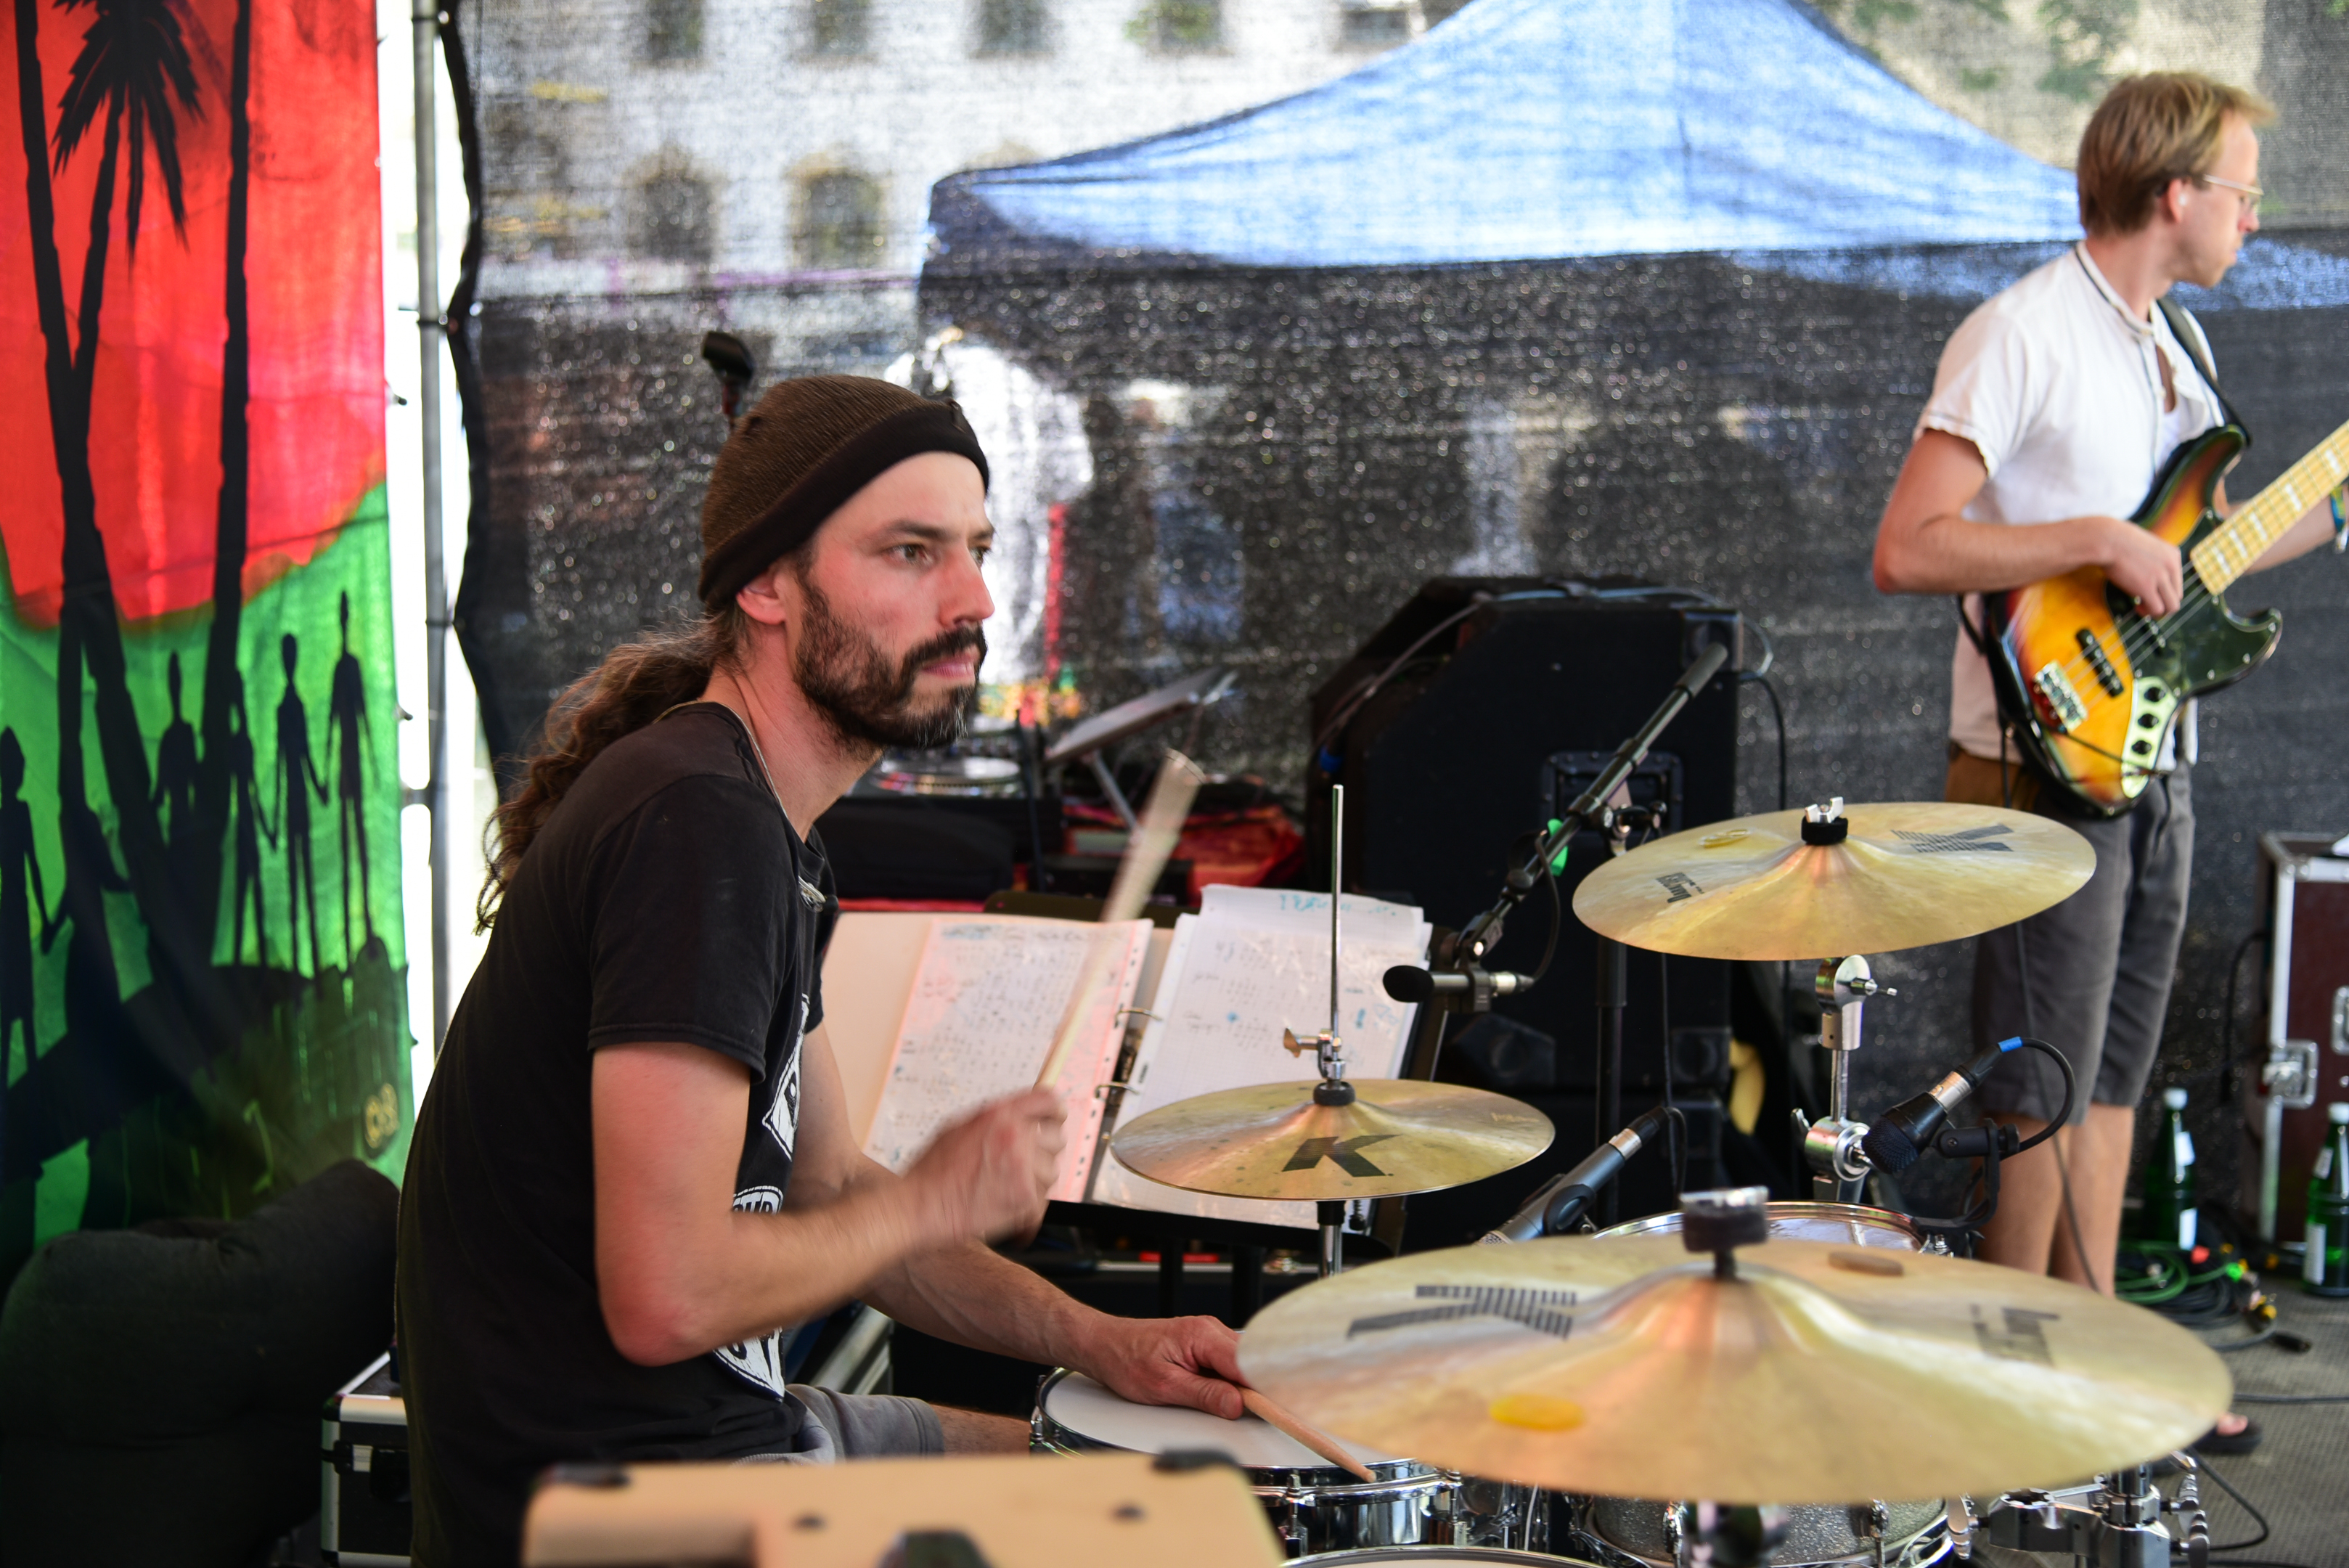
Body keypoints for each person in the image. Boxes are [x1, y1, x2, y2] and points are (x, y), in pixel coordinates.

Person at [395, 376, 1246, 1566]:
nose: (973, 601)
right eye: (911, 552)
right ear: (766, 586)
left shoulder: (768, 831)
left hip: (741, 1440)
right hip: (626, 1514)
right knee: (1173, 1539)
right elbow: (668, 1296)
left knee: (1151, 1489)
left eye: (976, 550)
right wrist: (936, 1197)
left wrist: (1102, 1340)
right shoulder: (698, 826)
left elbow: (833, 1189)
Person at [1873, 74, 2340, 1448]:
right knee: (2036, 1086)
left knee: (2114, 1077)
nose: (2256, 213)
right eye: (2243, 188)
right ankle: (2009, 1405)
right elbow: (1910, 546)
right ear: (2175, 192)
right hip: (2037, 766)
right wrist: (2094, 538)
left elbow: (2203, 550)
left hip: (2151, 751)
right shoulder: (2022, 333)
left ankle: (2095, 1364)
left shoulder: (2173, 345)